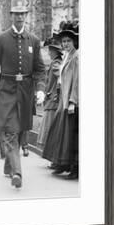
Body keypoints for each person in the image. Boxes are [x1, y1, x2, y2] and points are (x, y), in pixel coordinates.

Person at [0, 0, 46, 188]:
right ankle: (17, 173)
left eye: (22, 14)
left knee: (20, 132)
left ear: (26, 15)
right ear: (10, 15)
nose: (19, 18)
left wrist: (40, 88)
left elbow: (39, 69)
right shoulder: (1, 39)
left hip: (26, 92)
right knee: (11, 131)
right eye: (16, 14)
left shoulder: (34, 40)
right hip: (7, 90)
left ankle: (7, 165)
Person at [42, 20, 79, 179]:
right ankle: (61, 163)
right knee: (60, 133)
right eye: (63, 41)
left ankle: (74, 167)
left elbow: (77, 80)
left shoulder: (76, 57)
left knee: (72, 136)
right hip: (62, 99)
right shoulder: (67, 57)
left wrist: (72, 101)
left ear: (74, 42)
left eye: (68, 41)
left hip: (70, 100)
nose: (65, 44)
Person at [38, 37, 63, 163]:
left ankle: (53, 157)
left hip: (53, 99)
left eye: (50, 50)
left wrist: (51, 93)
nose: (49, 52)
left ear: (55, 51)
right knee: (50, 128)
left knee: (50, 128)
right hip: (51, 98)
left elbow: (59, 81)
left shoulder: (56, 63)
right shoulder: (56, 62)